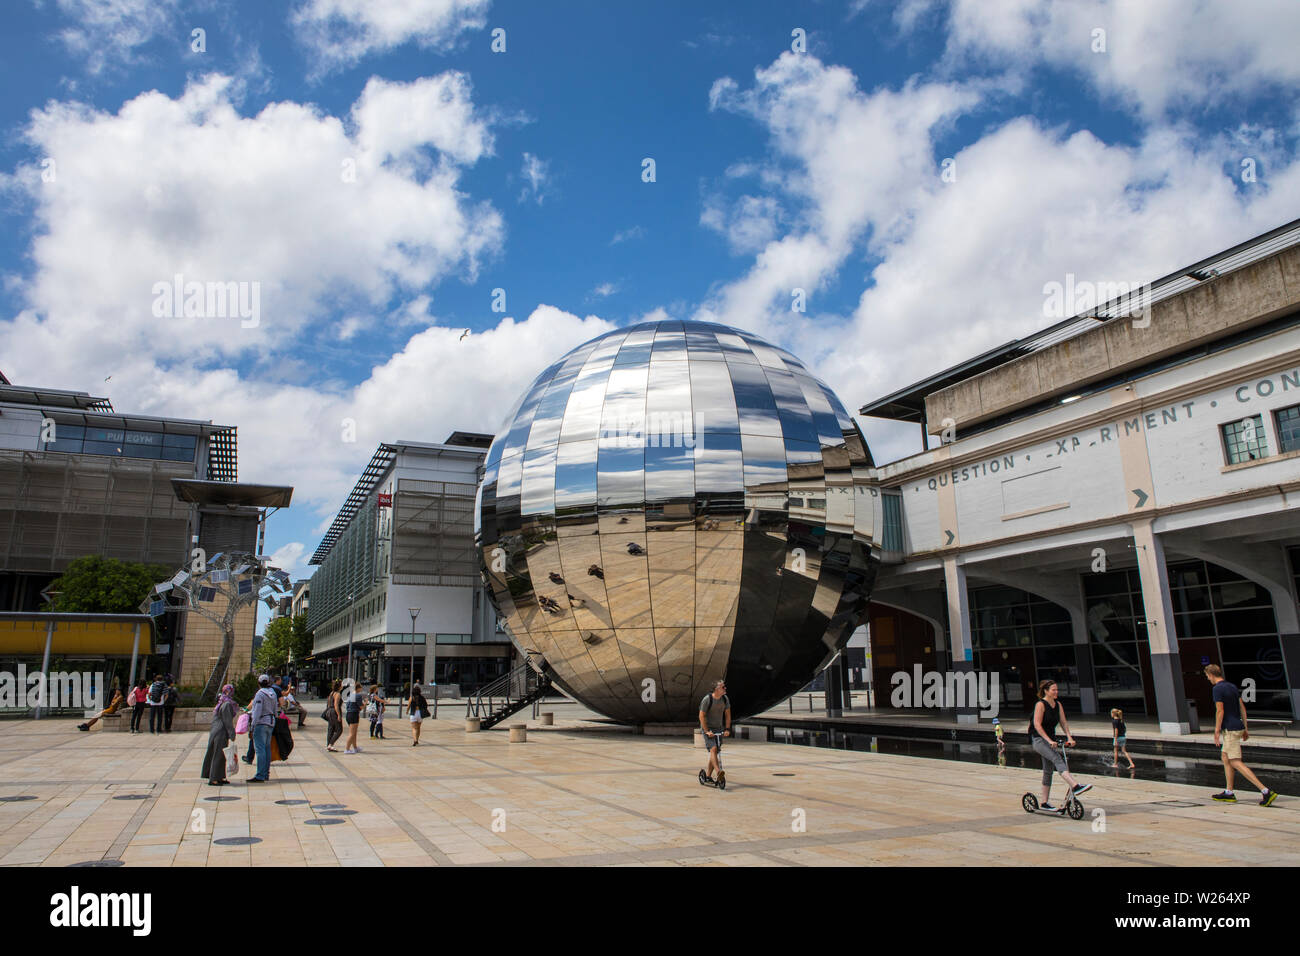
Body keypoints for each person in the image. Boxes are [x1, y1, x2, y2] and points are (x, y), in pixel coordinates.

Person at [1206, 664, 1278, 805]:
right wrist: (1245, 728)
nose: (1208, 679)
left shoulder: (1217, 689)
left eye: (1207, 676)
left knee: (1235, 761)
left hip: (1230, 730)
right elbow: (1242, 708)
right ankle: (1229, 792)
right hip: (1237, 726)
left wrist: (1216, 731)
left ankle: (1265, 791)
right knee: (1225, 757)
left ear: (1211, 674)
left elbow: (1219, 711)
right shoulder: (1232, 686)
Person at [1027, 679, 1091, 811]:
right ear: (1046, 691)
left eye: (1057, 690)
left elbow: (1063, 722)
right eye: (1053, 690)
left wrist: (1069, 737)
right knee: (1057, 759)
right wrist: (1049, 740)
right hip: (1039, 740)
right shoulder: (1040, 705)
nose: (1056, 692)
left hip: (1051, 740)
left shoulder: (1058, 705)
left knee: (1048, 771)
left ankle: (1044, 803)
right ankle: (1074, 785)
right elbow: (1037, 725)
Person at [200, 684, 238, 786]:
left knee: (221, 754)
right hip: (220, 731)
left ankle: (220, 776)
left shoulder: (222, 702)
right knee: (217, 754)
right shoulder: (226, 704)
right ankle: (213, 778)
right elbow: (227, 721)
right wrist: (232, 733)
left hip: (217, 731)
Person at [698, 679, 731, 787]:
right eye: (723, 687)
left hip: (719, 728)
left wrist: (727, 729)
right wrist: (707, 731)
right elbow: (701, 716)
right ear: (717, 689)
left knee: (715, 753)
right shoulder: (707, 699)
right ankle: (718, 772)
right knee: (713, 749)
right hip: (708, 728)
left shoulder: (725, 699)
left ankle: (707, 776)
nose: (725, 688)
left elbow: (727, 715)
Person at [247, 674, 278, 782]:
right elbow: (275, 709)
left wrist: (252, 726)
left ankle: (260, 775)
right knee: (266, 748)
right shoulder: (273, 693)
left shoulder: (260, 694)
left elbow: (257, 711)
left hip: (261, 722)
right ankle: (266, 773)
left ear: (259, 683)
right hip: (271, 722)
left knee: (260, 749)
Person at [343, 678, 365, 754]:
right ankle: (347, 749)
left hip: (349, 714)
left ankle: (355, 747)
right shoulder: (358, 696)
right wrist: (365, 703)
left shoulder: (350, 695)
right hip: (354, 714)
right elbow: (361, 707)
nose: (362, 689)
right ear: (358, 688)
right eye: (361, 687)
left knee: (353, 732)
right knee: (352, 733)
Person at [325, 679, 344, 751]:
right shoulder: (338, 694)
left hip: (329, 711)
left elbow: (329, 703)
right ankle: (331, 744)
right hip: (334, 712)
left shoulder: (331, 693)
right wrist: (339, 715)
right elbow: (336, 705)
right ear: (339, 686)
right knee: (339, 730)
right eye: (341, 685)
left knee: (331, 729)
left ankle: (328, 745)